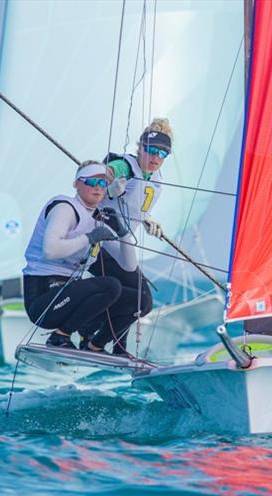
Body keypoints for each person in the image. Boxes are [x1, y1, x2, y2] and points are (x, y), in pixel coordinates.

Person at [22, 161, 144, 354]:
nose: (97, 187)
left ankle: (94, 345)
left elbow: (129, 266)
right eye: (91, 182)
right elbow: (50, 250)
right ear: (77, 184)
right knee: (110, 285)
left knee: (140, 300)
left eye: (103, 183)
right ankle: (60, 337)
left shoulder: (99, 218)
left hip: (69, 297)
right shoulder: (65, 207)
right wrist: (88, 238)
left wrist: (123, 234)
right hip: (43, 299)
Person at [92, 118, 174, 349]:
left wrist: (148, 220)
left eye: (162, 153)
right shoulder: (126, 166)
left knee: (135, 298)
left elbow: (132, 205)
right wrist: (107, 181)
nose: (156, 157)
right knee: (140, 300)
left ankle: (118, 348)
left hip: (120, 248)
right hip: (99, 246)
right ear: (140, 147)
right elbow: (109, 171)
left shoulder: (155, 178)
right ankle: (95, 343)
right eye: (150, 150)